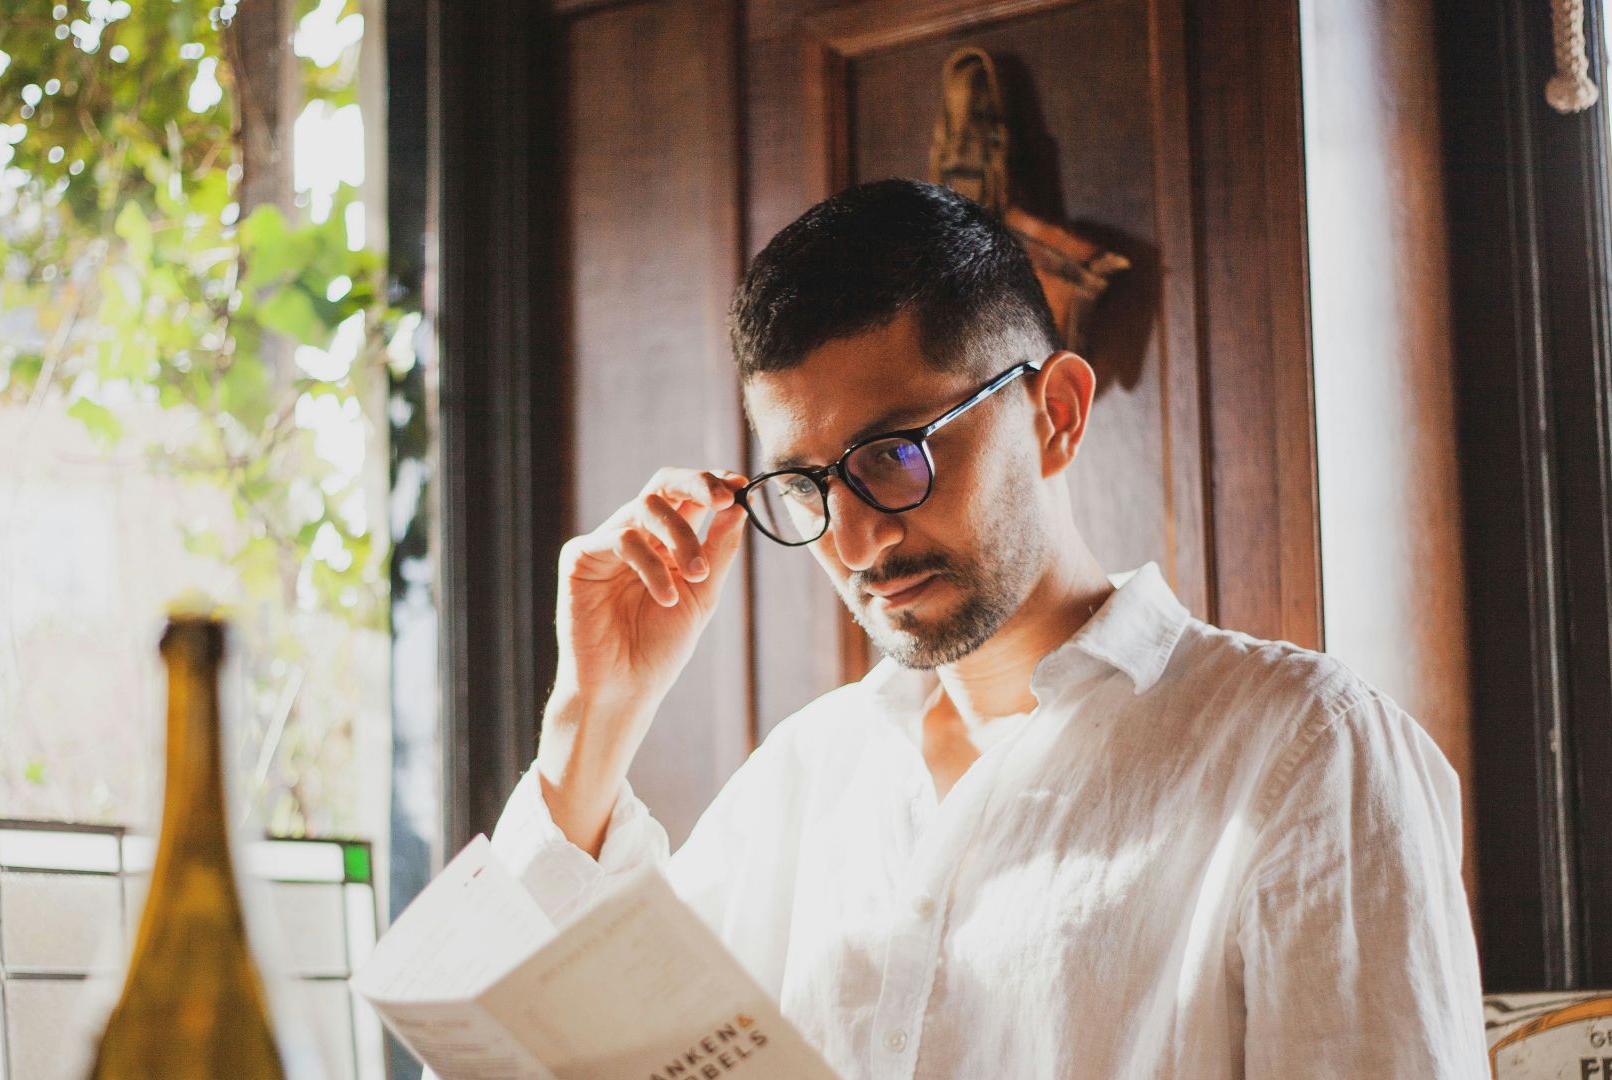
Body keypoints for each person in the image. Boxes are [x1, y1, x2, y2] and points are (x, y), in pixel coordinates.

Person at [489, 178, 1487, 1078]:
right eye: (808, 485)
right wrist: (595, 711)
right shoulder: (803, 783)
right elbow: (528, 1056)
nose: (858, 538)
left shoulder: (1305, 752)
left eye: (893, 452)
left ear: (1054, 412)